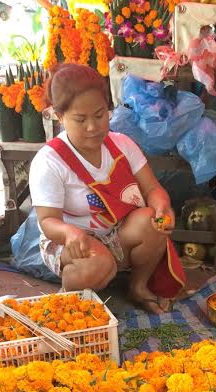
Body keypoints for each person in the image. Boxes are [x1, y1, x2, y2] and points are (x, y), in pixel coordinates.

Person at [29, 63, 185, 313]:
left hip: (114, 233)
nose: (93, 127)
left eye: (100, 115)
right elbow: (48, 222)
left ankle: (138, 286)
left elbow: (152, 189)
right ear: (59, 117)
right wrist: (70, 233)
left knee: (150, 222)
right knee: (99, 266)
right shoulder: (49, 162)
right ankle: (68, 296)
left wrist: (161, 207)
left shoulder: (122, 144)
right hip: (71, 242)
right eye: (80, 120)